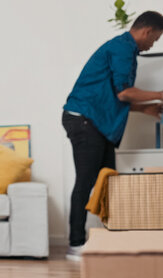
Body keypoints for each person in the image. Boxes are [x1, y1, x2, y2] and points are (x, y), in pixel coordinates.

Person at [62, 11, 163, 261]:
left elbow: (113, 96)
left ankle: (113, 239)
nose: (154, 44)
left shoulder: (124, 49)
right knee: (86, 181)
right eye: (156, 38)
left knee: (109, 181)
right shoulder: (123, 49)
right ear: (147, 31)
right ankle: (75, 244)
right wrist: (159, 95)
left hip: (96, 121)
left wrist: (145, 108)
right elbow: (124, 93)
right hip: (84, 120)